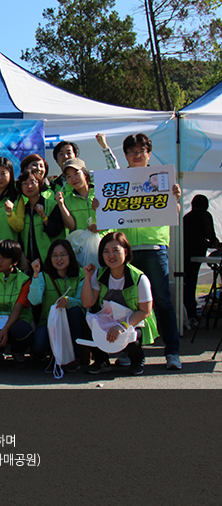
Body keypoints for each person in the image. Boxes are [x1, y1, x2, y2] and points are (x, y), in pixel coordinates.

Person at [97, 132, 183, 371]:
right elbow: (106, 209)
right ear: (125, 155)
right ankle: (130, 351)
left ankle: (172, 352)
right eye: (132, 152)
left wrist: (175, 199)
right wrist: (99, 205)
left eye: (140, 151)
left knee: (163, 302)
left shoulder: (162, 179)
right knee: (126, 304)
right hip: (127, 251)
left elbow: (172, 211)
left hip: (154, 246)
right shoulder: (119, 179)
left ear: (149, 153)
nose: (136, 155)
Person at [81, 232, 158, 376]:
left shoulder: (139, 278)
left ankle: (137, 359)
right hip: (108, 319)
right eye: (106, 251)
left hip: (133, 322)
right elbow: (88, 302)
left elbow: (145, 311)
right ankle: (101, 360)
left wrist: (122, 326)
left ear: (126, 251)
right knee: (87, 322)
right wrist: (87, 278)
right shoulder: (99, 274)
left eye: (116, 250)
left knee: (133, 336)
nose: (111, 255)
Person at [28, 239, 85, 367]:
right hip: (49, 323)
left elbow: (82, 303)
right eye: (55, 255)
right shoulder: (44, 275)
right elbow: (34, 300)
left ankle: (75, 358)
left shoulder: (81, 274)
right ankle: (54, 353)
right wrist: (36, 275)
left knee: (76, 311)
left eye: (63, 254)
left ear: (70, 256)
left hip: (72, 324)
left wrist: (68, 301)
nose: (59, 259)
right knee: (38, 345)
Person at [183, 195, 219, 327]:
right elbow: (211, 235)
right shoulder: (205, 215)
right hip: (196, 252)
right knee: (192, 281)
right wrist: (215, 244)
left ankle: (188, 311)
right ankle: (191, 313)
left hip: (184, 253)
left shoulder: (187, 217)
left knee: (186, 283)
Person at [15, 169, 65, 265]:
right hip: (29, 263)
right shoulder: (22, 209)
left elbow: (56, 231)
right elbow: (18, 235)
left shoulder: (52, 205)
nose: (29, 186)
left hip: (51, 261)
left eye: (33, 182)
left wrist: (44, 216)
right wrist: (22, 257)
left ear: (40, 183)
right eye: (25, 183)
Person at [54, 158, 98, 233]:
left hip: (104, 241)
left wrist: (101, 226)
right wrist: (61, 204)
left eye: (76, 174)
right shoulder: (67, 201)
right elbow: (72, 227)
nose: (73, 179)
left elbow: (112, 218)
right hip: (79, 243)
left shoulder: (100, 193)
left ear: (85, 174)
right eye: (69, 176)